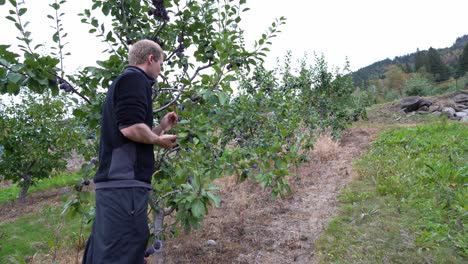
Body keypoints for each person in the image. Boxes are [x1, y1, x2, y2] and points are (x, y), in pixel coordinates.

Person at [83, 39, 178, 264]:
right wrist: (159, 140)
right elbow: (130, 128)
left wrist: (161, 127)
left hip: (119, 183)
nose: (160, 71)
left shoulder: (127, 81)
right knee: (121, 253)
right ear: (151, 59)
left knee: (112, 250)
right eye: (161, 65)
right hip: (123, 183)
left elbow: (132, 133)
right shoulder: (134, 79)